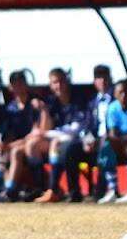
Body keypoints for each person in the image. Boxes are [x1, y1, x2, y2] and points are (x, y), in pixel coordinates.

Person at [32, 68, 91, 203]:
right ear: (51, 85)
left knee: (56, 144)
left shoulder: (79, 99)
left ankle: (53, 189)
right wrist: (44, 110)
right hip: (59, 139)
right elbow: (45, 128)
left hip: (80, 139)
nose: (59, 85)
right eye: (55, 82)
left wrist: (47, 133)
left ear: (67, 81)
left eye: (61, 81)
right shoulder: (52, 103)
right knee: (33, 145)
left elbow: (77, 127)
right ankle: (37, 188)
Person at [0, 71, 45, 202]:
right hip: (18, 143)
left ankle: (34, 187)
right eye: (15, 85)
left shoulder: (34, 104)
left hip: (34, 142)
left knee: (16, 151)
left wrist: (13, 144)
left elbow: (37, 131)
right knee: (2, 153)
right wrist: (2, 144)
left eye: (21, 84)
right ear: (10, 87)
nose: (18, 88)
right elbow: (8, 133)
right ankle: (1, 189)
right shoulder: (10, 108)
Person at [68, 64, 113, 200]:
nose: (102, 82)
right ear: (95, 82)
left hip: (111, 140)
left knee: (104, 148)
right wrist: (87, 140)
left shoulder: (116, 99)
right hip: (94, 140)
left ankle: (99, 192)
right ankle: (74, 192)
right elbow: (86, 125)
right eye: (99, 78)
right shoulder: (92, 102)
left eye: (105, 78)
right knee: (71, 151)